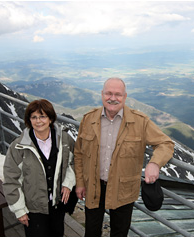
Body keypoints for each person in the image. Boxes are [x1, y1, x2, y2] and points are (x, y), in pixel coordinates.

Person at [74, 77, 174, 236]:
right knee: (91, 231)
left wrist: (154, 163)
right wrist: (80, 182)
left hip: (123, 190)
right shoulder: (88, 119)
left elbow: (166, 143)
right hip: (93, 186)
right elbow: (78, 153)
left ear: (125, 97)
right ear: (102, 94)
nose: (112, 98)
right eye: (108, 93)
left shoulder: (140, 122)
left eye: (118, 94)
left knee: (119, 233)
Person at [3, 99, 76, 236]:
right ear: (29, 120)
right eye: (34, 117)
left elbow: (75, 162)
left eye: (42, 116)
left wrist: (68, 183)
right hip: (33, 209)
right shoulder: (19, 147)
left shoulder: (64, 140)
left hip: (57, 204)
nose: (38, 121)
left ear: (50, 118)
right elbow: (11, 180)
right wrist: (20, 210)